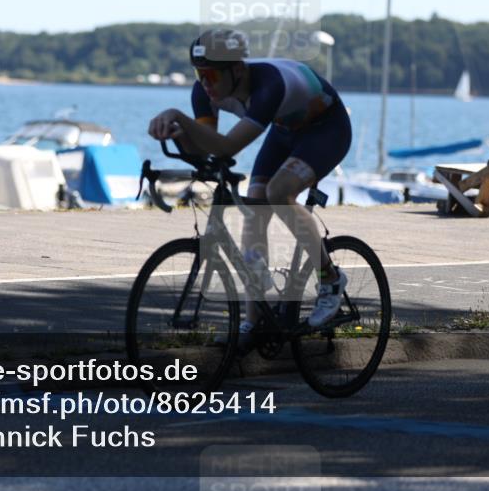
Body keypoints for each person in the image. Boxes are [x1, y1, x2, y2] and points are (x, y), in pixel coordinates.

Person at [147, 29, 353, 342]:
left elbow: (228, 147)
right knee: (255, 202)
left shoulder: (269, 86)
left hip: (326, 129)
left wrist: (178, 117)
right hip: (285, 131)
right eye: (199, 74)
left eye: (212, 75)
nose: (205, 84)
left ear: (238, 70)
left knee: (278, 193)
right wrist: (178, 134)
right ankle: (254, 323)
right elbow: (205, 149)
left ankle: (331, 279)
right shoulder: (204, 92)